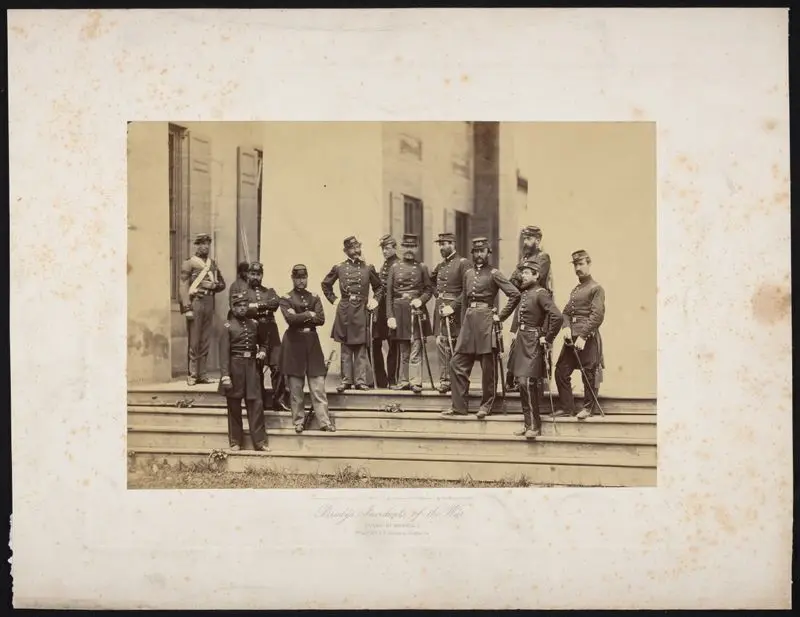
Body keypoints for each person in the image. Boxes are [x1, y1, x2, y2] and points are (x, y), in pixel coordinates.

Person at [442, 237, 520, 419]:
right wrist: (452, 307)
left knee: (488, 367)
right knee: (456, 363)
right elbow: (464, 296)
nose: (478, 255)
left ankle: (486, 405)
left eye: (482, 251)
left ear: (488, 253)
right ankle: (459, 406)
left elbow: (514, 294)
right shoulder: (468, 273)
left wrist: (500, 316)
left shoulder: (494, 273)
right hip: (469, 322)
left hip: (486, 322)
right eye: (476, 252)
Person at [497, 260, 562, 439]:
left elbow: (557, 316)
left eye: (527, 273)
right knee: (521, 383)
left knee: (528, 383)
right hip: (521, 340)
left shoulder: (541, 293)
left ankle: (535, 425)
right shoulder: (524, 293)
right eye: (522, 272)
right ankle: (528, 425)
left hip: (533, 341)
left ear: (536, 275)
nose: (523, 275)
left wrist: (547, 338)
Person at [321, 236, 383, 393]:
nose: (356, 251)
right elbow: (326, 284)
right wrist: (334, 300)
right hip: (345, 309)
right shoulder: (339, 267)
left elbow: (379, 287)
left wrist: (375, 300)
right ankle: (346, 380)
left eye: (357, 247)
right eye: (352, 248)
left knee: (361, 346)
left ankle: (361, 381)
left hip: (362, 309)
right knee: (346, 346)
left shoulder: (368, 267)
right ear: (345, 251)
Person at [279, 264, 335, 433]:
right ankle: (298, 421)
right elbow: (290, 320)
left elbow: (320, 319)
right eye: (297, 278)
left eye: (304, 277)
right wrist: (308, 314)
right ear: (292, 278)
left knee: (318, 387)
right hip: (294, 344)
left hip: (312, 344)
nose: (301, 281)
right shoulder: (286, 298)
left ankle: (324, 421)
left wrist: (301, 316)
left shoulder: (314, 297)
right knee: (296, 389)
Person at [555, 250, 606, 421]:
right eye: (575, 265)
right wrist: (566, 327)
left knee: (589, 372)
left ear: (589, 264)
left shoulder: (596, 288)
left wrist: (583, 336)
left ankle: (588, 408)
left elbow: (597, 315)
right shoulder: (576, 290)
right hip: (571, 337)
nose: (578, 268)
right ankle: (567, 407)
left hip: (587, 337)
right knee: (561, 370)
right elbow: (566, 312)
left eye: (581, 264)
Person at [218, 291, 269, 452]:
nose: (242, 308)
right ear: (232, 308)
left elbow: (264, 342)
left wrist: (262, 350)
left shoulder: (254, 324)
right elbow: (224, 353)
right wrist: (225, 375)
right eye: (238, 306)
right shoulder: (228, 326)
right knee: (234, 406)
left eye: (244, 305)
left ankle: (259, 442)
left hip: (251, 367)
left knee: (256, 404)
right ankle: (235, 442)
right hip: (235, 367)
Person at [385, 233, 434, 394]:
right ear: (401, 247)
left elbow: (429, 289)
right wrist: (390, 315)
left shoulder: (422, 267)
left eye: (412, 247)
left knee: (416, 347)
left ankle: (415, 381)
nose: (409, 250)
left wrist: (421, 300)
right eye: (406, 246)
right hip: (399, 311)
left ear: (417, 248)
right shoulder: (394, 267)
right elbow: (389, 294)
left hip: (416, 310)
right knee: (403, 349)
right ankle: (404, 381)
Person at [506, 225, 552, 393]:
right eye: (524, 238)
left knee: (536, 351)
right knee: (515, 345)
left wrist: (521, 277)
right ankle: (518, 382)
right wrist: (520, 277)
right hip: (523, 305)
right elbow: (513, 281)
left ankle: (536, 387)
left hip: (537, 308)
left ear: (537, 241)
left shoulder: (543, 257)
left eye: (529, 239)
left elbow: (533, 281)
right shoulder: (525, 258)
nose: (526, 242)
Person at [179, 233, 227, 386]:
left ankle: (202, 374)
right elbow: (183, 286)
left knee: (205, 339)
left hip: (209, 302)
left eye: (207, 243)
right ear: (197, 245)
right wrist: (187, 307)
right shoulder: (189, 263)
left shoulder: (212, 264)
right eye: (202, 243)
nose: (205, 246)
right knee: (194, 340)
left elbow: (222, 284)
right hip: (196, 302)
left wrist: (215, 286)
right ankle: (192, 374)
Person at [246, 262, 290, 412]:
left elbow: (275, 303)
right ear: (248, 275)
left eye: (258, 274)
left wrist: (256, 306)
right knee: (256, 369)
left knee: (278, 367)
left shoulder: (269, 291)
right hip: (254, 333)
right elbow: (244, 309)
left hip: (271, 332)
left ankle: (279, 400)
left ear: (262, 275)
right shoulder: (243, 293)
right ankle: (260, 401)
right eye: (252, 274)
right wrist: (262, 308)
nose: (255, 277)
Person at [431, 232, 471, 394]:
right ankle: (445, 380)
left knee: (455, 345)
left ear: (453, 244)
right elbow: (430, 282)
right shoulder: (440, 266)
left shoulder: (463, 263)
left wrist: (453, 306)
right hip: (441, 309)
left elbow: (467, 289)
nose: (441, 247)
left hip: (456, 312)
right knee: (441, 343)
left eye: (445, 243)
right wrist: (438, 296)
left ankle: (457, 381)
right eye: (440, 244)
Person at [371, 235, 400, 388]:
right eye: (383, 248)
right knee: (375, 342)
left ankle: (392, 379)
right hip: (380, 309)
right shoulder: (385, 264)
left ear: (395, 248)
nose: (385, 251)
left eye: (388, 248)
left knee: (393, 344)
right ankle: (381, 381)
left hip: (392, 309)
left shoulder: (398, 264)